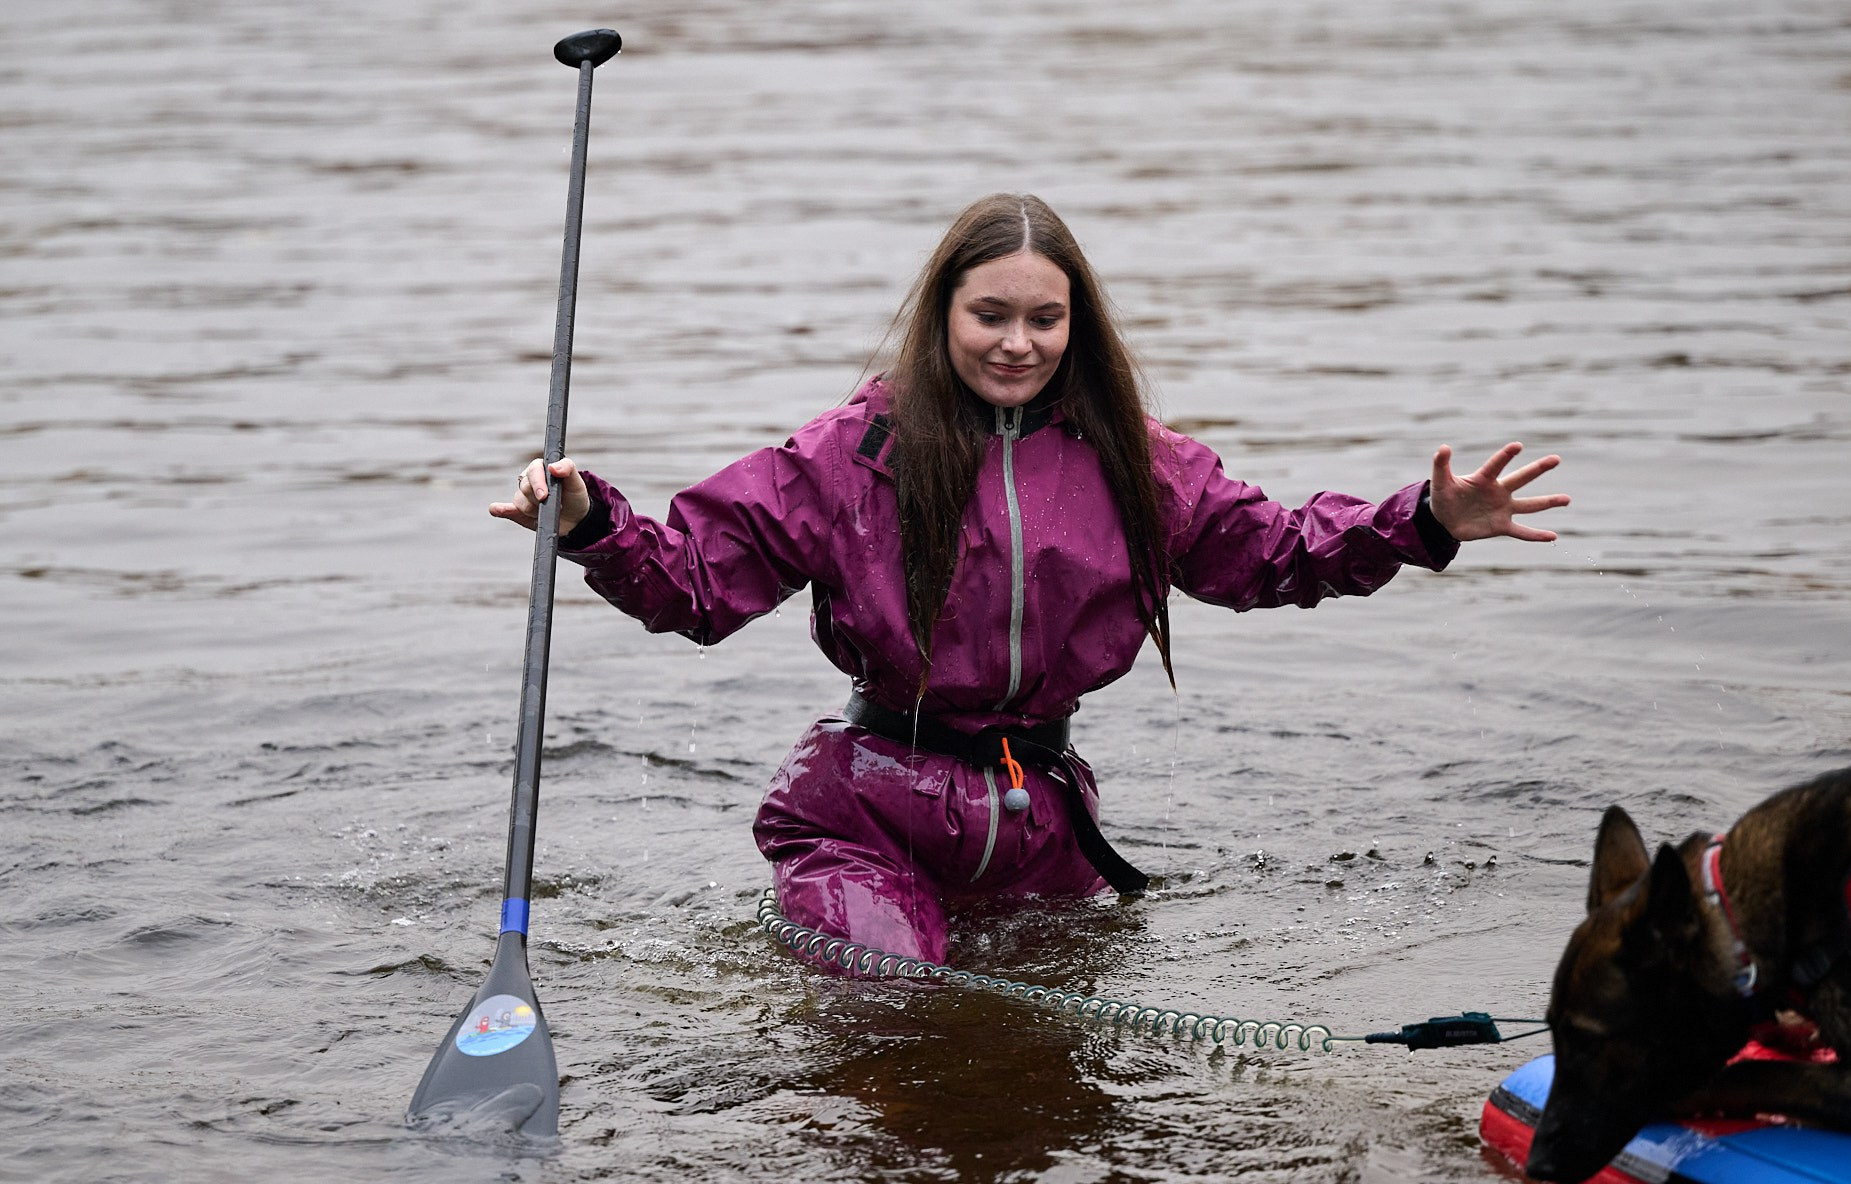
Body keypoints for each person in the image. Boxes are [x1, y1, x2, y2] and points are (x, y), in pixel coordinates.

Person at [489, 193, 1567, 965]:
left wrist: (1422, 520)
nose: (1016, 343)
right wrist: (589, 523)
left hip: (1043, 818)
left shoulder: (1138, 461)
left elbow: (1273, 556)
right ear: (943, 317)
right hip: (867, 812)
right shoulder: (850, 451)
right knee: (894, 1004)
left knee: (1054, 1064)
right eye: (988, 316)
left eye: (1042, 319)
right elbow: (691, 583)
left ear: (1074, 324)